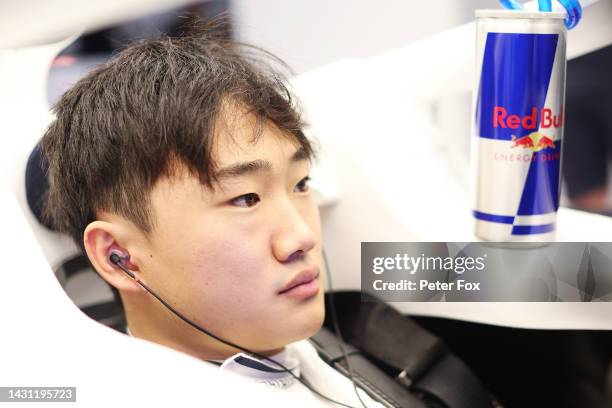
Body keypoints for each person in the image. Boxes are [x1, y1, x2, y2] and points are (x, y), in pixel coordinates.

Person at [40, 17, 383, 407]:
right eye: (245, 199)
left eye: (301, 184)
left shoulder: (367, 328)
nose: (302, 237)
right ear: (120, 258)